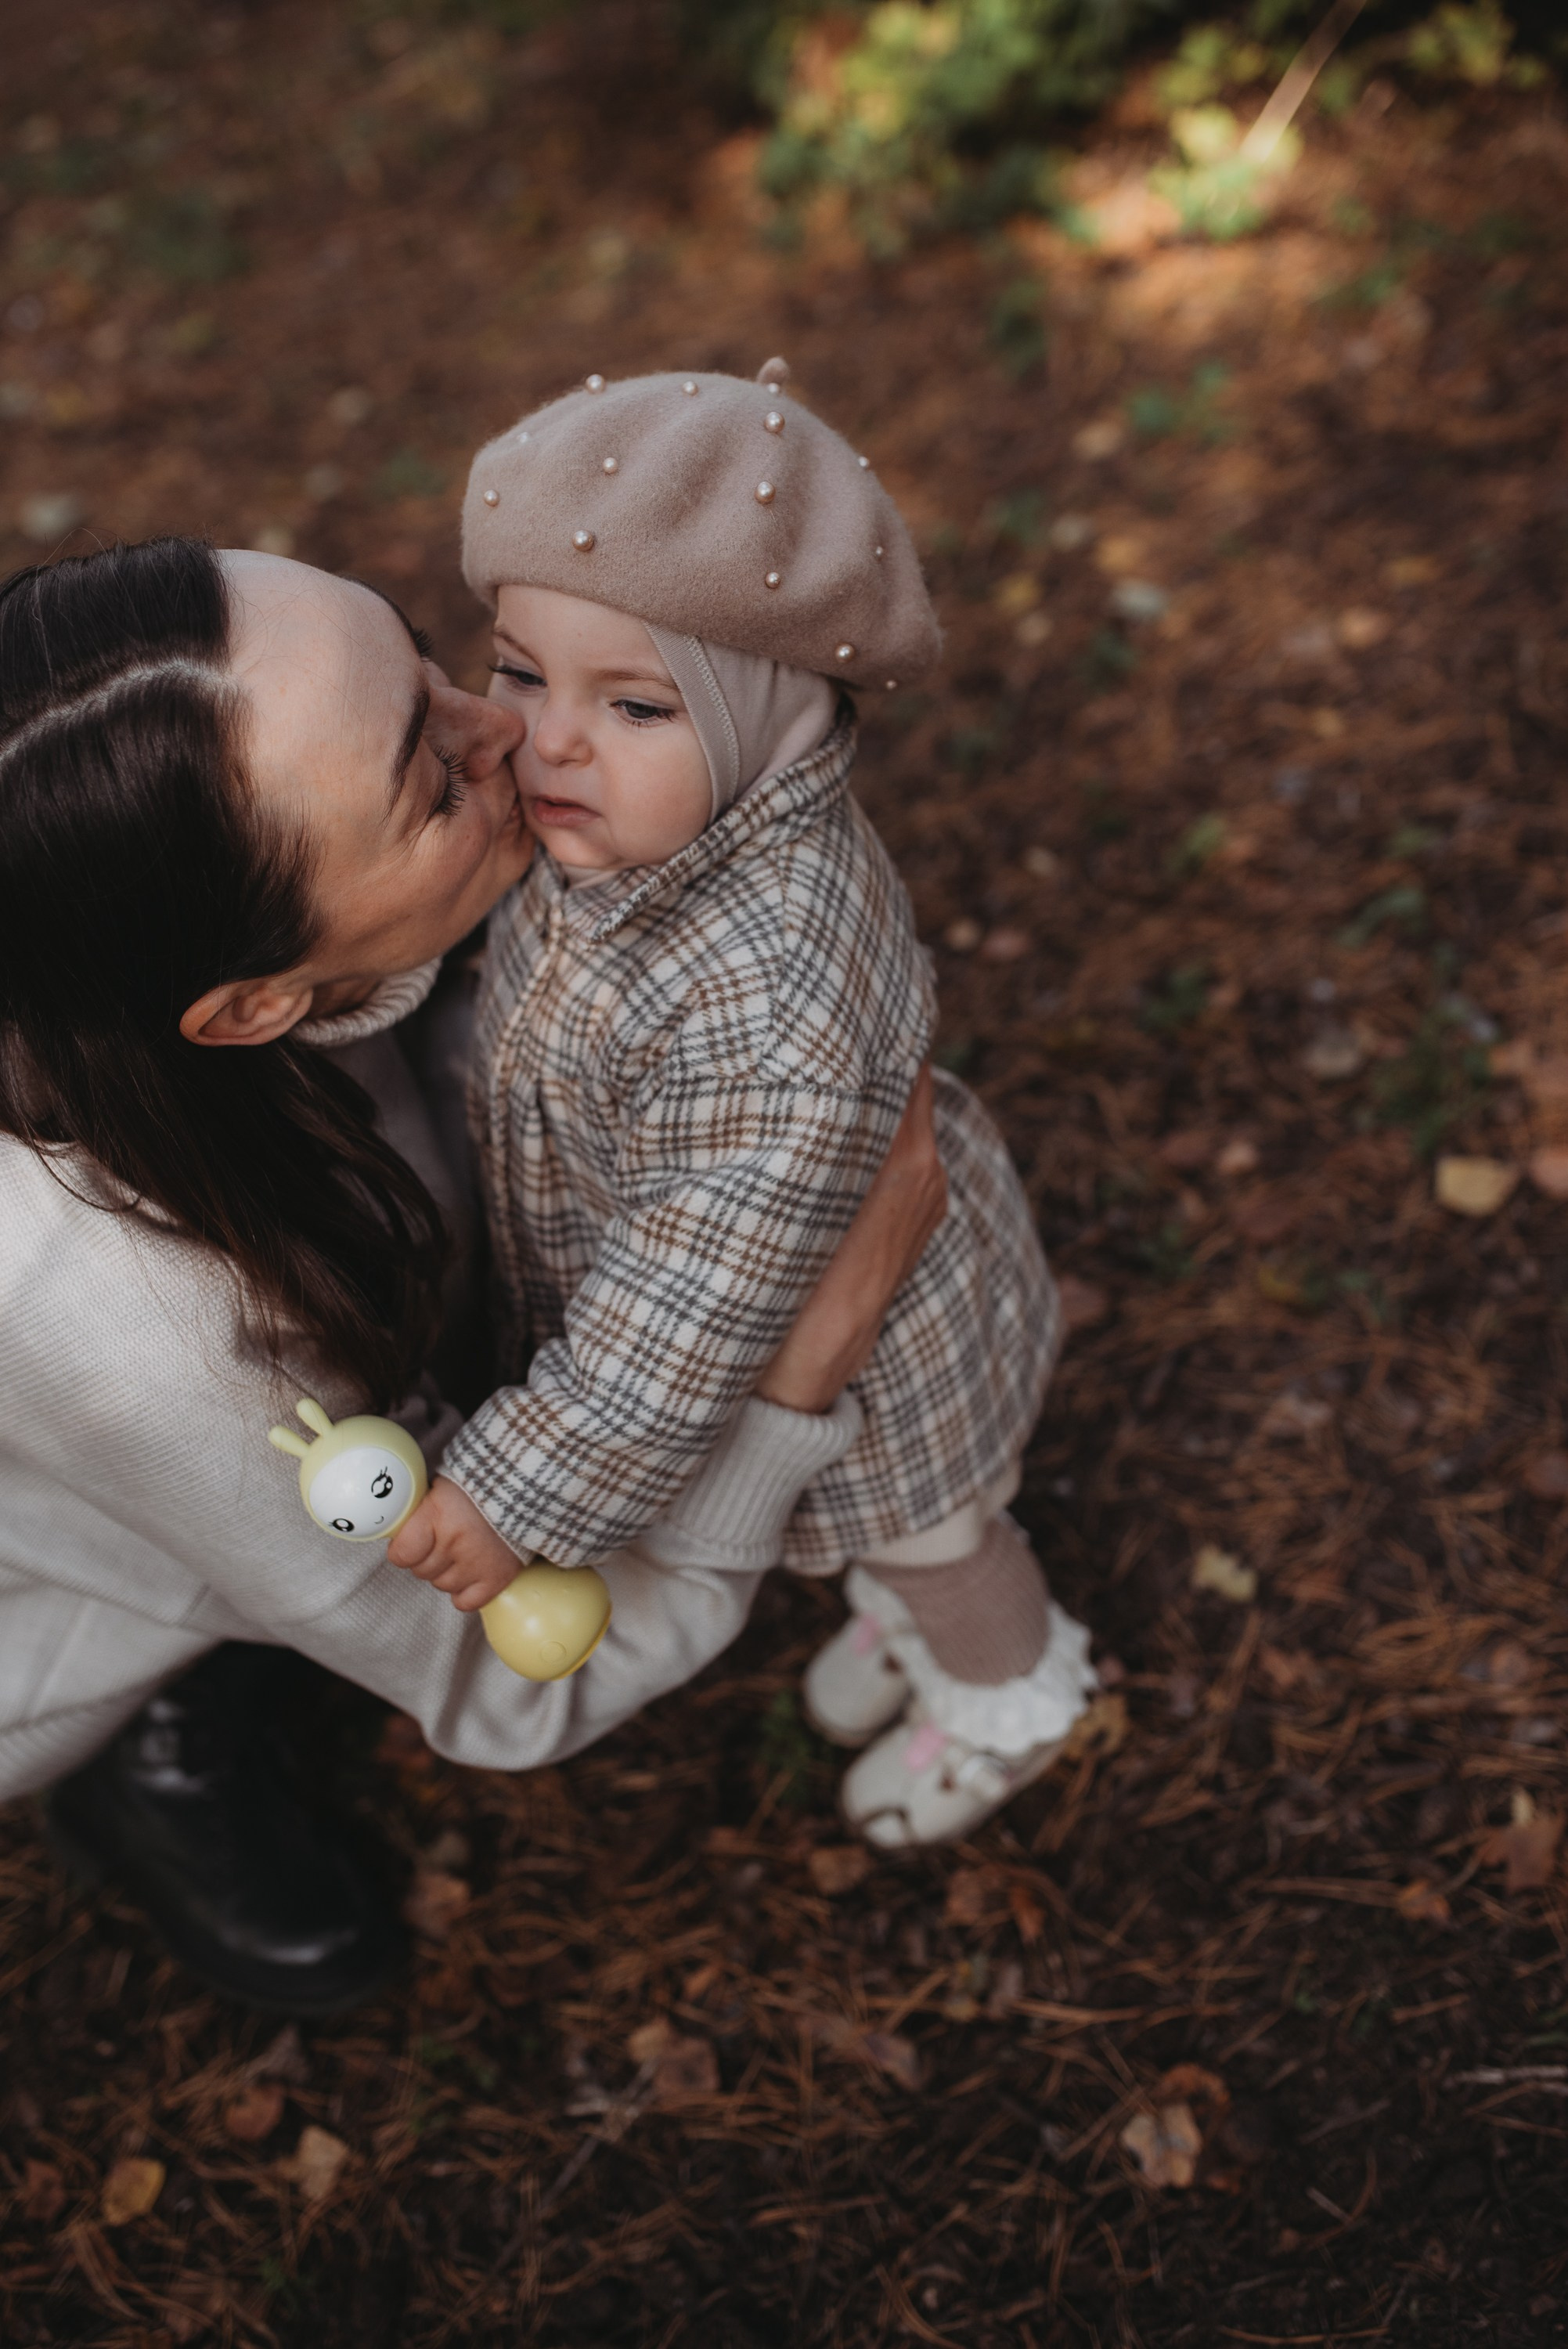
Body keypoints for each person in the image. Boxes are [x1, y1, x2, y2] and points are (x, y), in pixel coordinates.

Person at [0, 536, 944, 2012]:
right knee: (255, 1572)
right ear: (251, 1005)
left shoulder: (140, 840)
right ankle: (162, 1756)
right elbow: (511, 1671)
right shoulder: (129, 1335)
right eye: (432, 781)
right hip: (80, 1580)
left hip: (331, 1305)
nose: (504, 727)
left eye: (424, 663)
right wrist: (792, 1374)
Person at [379, 360, 1098, 1850]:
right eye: (521, 671)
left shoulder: (769, 996)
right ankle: (915, 1627)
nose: (550, 738)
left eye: (634, 701)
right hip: (761, 1306)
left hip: (864, 1358)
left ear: (766, 709)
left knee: (932, 1535)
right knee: (885, 1552)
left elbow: (683, 1308)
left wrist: (520, 1490)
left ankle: (1010, 1687)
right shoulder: (633, 835)